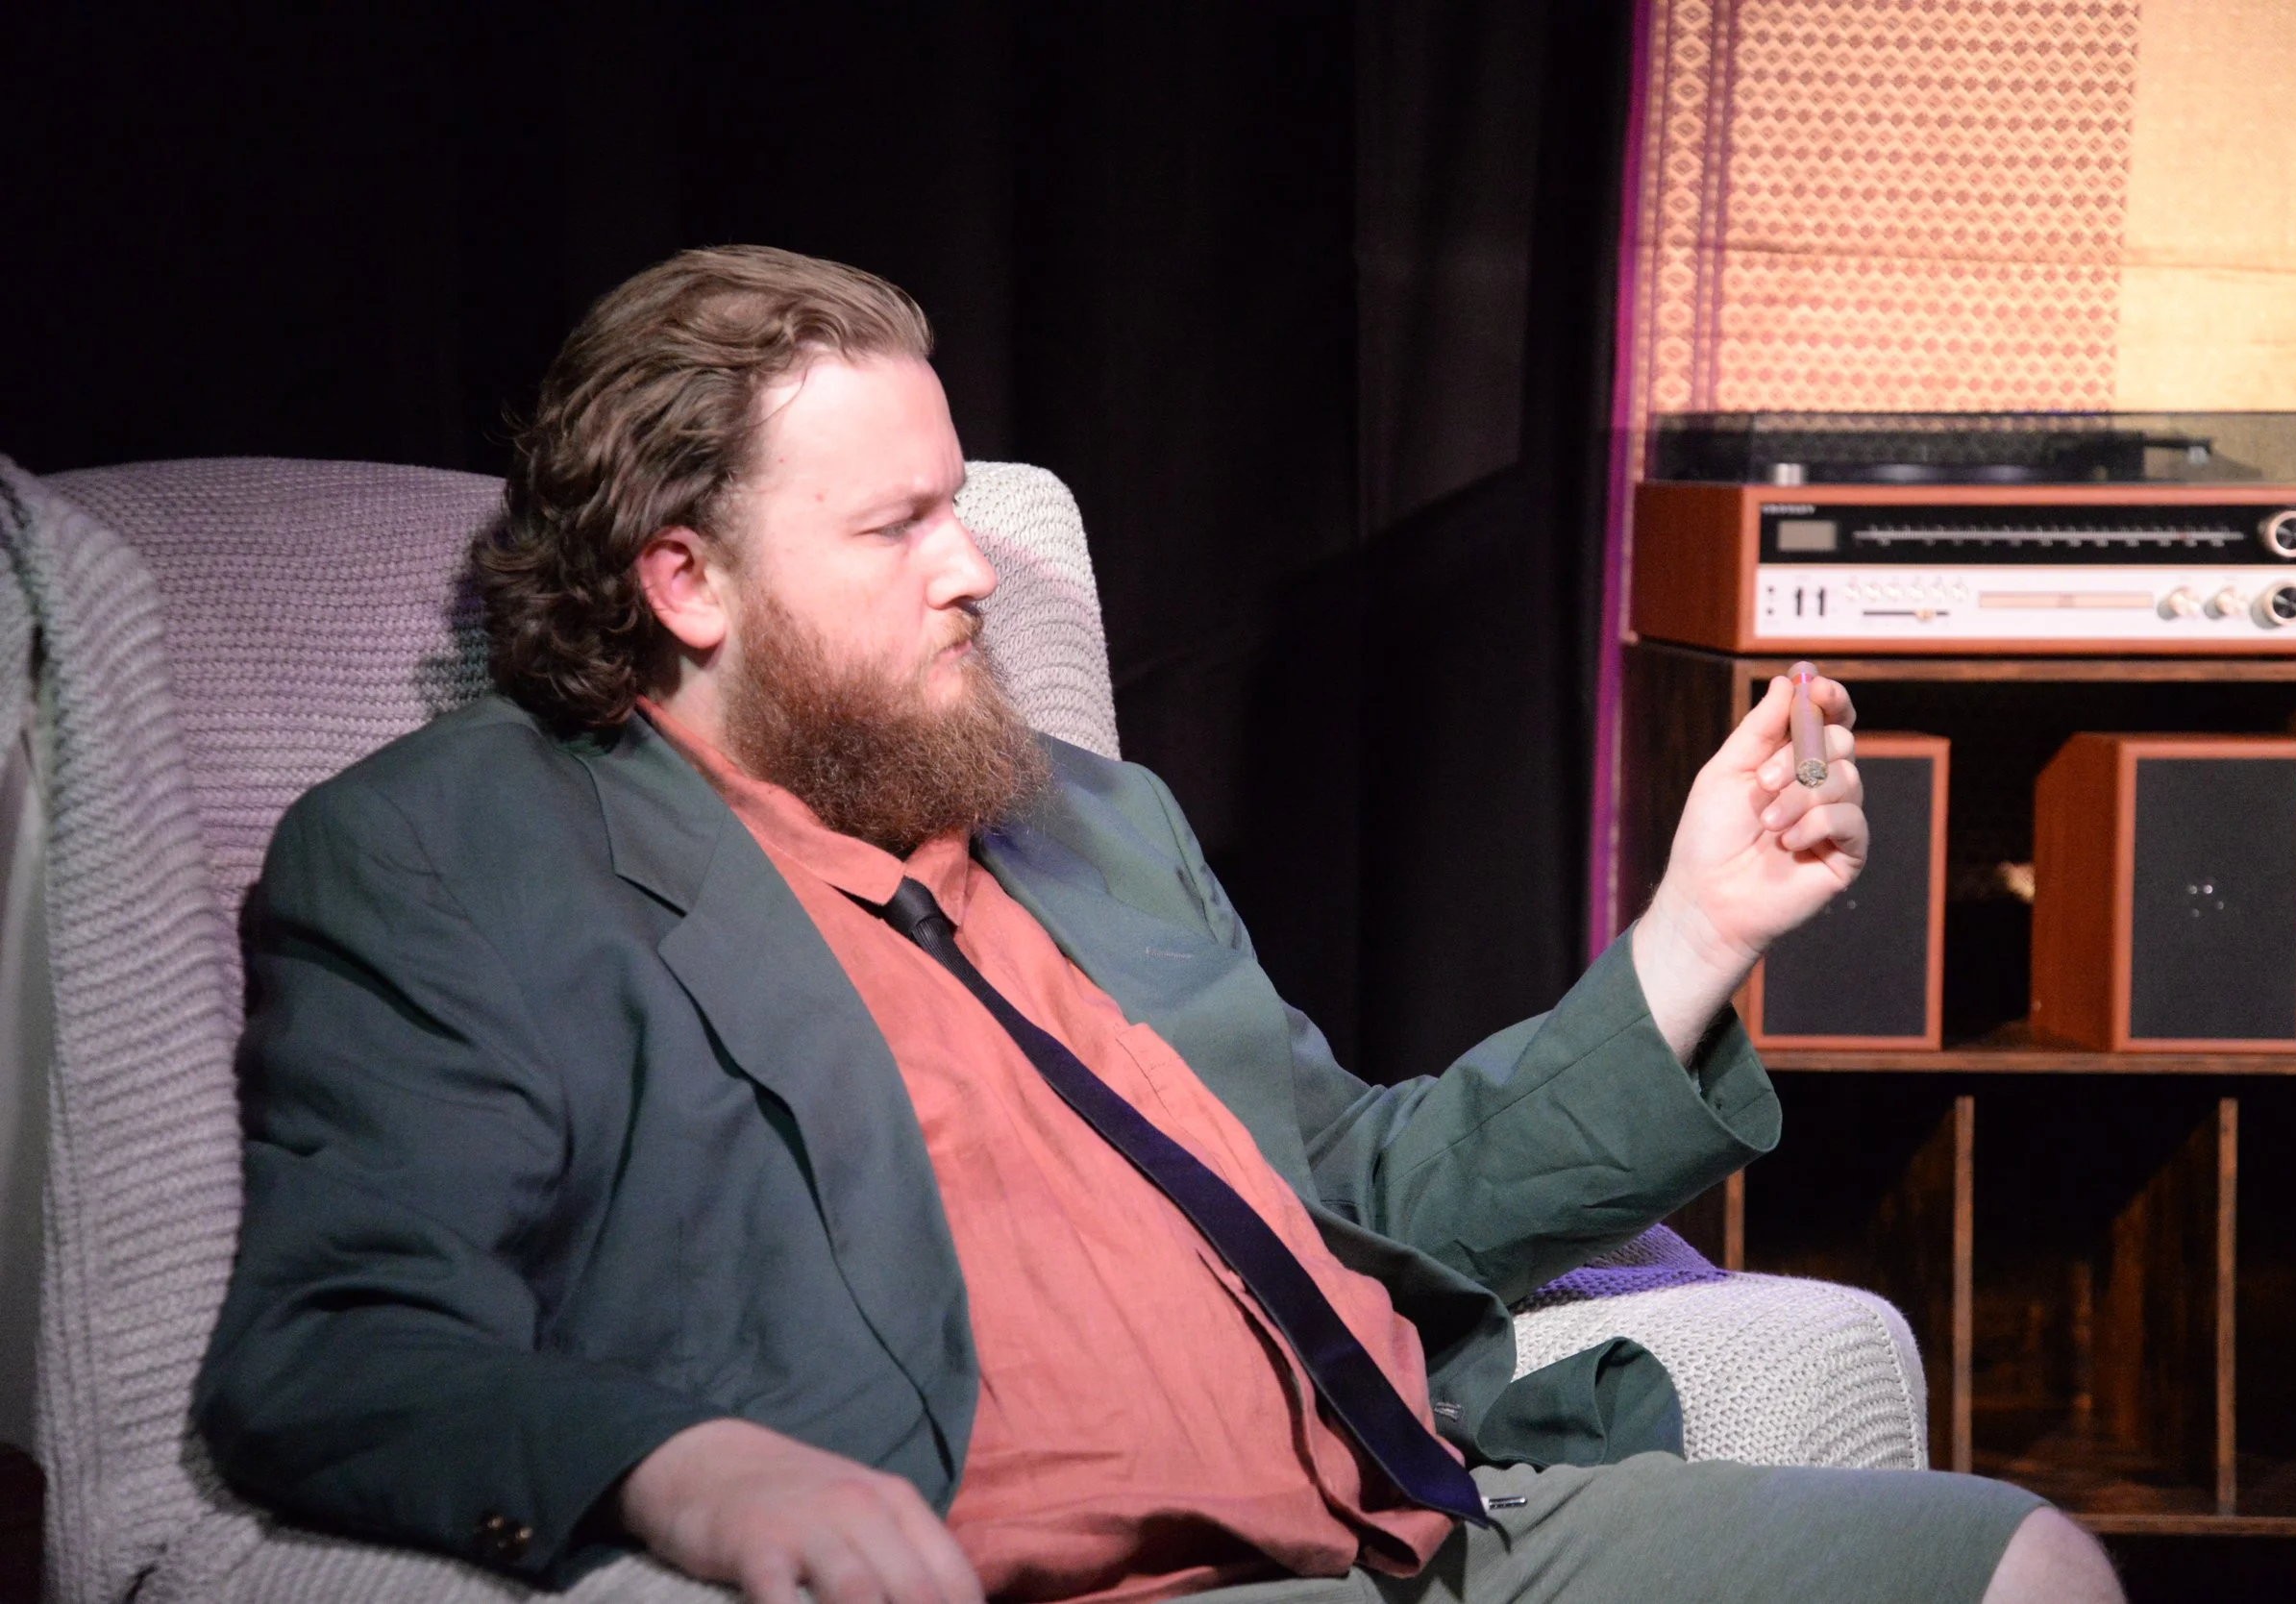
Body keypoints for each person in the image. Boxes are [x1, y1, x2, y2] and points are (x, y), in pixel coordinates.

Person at [195, 246, 2120, 1604]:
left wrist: (1690, 936)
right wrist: (677, 1468)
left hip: (1437, 1532)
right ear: (683, 578)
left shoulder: (1087, 825)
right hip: (1111, 1584)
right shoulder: (459, 855)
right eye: (892, 530)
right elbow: (343, 1345)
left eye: (956, 502)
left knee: (2019, 1563)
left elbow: (1359, 1182)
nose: (975, 569)